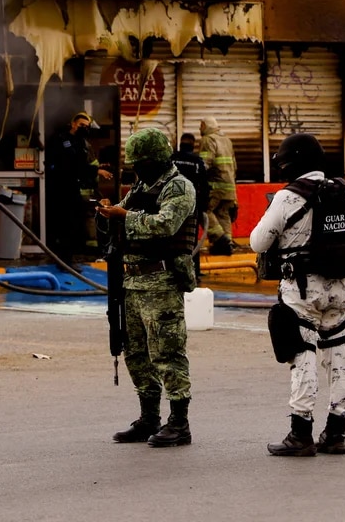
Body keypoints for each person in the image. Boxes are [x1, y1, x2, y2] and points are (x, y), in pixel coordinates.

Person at [250, 133, 345, 457]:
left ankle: (301, 432)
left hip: (302, 288)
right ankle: (337, 432)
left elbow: (258, 242)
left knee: (303, 354)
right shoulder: (343, 189)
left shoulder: (288, 197)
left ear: (289, 163)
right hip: (341, 285)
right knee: (339, 354)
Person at [97, 128, 198, 448]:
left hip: (163, 282)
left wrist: (123, 215)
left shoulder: (179, 186)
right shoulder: (143, 186)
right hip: (134, 281)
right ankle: (149, 417)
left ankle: (179, 423)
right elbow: (122, 214)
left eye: (140, 164)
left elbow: (165, 224)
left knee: (167, 353)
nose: (136, 170)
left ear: (155, 161)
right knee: (136, 353)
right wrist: (106, 211)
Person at [45, 111, 112, 267]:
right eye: (82, 125)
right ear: (73, 124)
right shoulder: (62, 140)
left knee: (74, 226)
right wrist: (96, 171)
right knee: (64, 226)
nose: (84, 128)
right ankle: (63, 260)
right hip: (60, 190)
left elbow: (83, 164)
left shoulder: (82, 142)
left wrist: (97, 169)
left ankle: (70, 258)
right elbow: (71, 165)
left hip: (75, 190)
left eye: (87, 126)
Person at [170, 132, 210, 280]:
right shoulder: (197, 162)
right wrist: (203, 206)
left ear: (180, 144)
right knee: (191, 239)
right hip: (192, 207)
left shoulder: (172, 159)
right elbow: (204, 185)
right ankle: (194, 270)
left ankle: (173, 270)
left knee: (172, 238)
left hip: (172, 205)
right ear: (193, 145)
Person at [199, 117, 238, 255]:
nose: (199, 129)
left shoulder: (208, 139)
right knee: (223, 215)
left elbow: (204, 164)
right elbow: (234, 165)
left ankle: (220, 239)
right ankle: (227, 245)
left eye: (201, 125)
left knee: (204, 211)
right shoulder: (227, 140)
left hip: (215, 186)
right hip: (230, 186)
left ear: (206, 126)